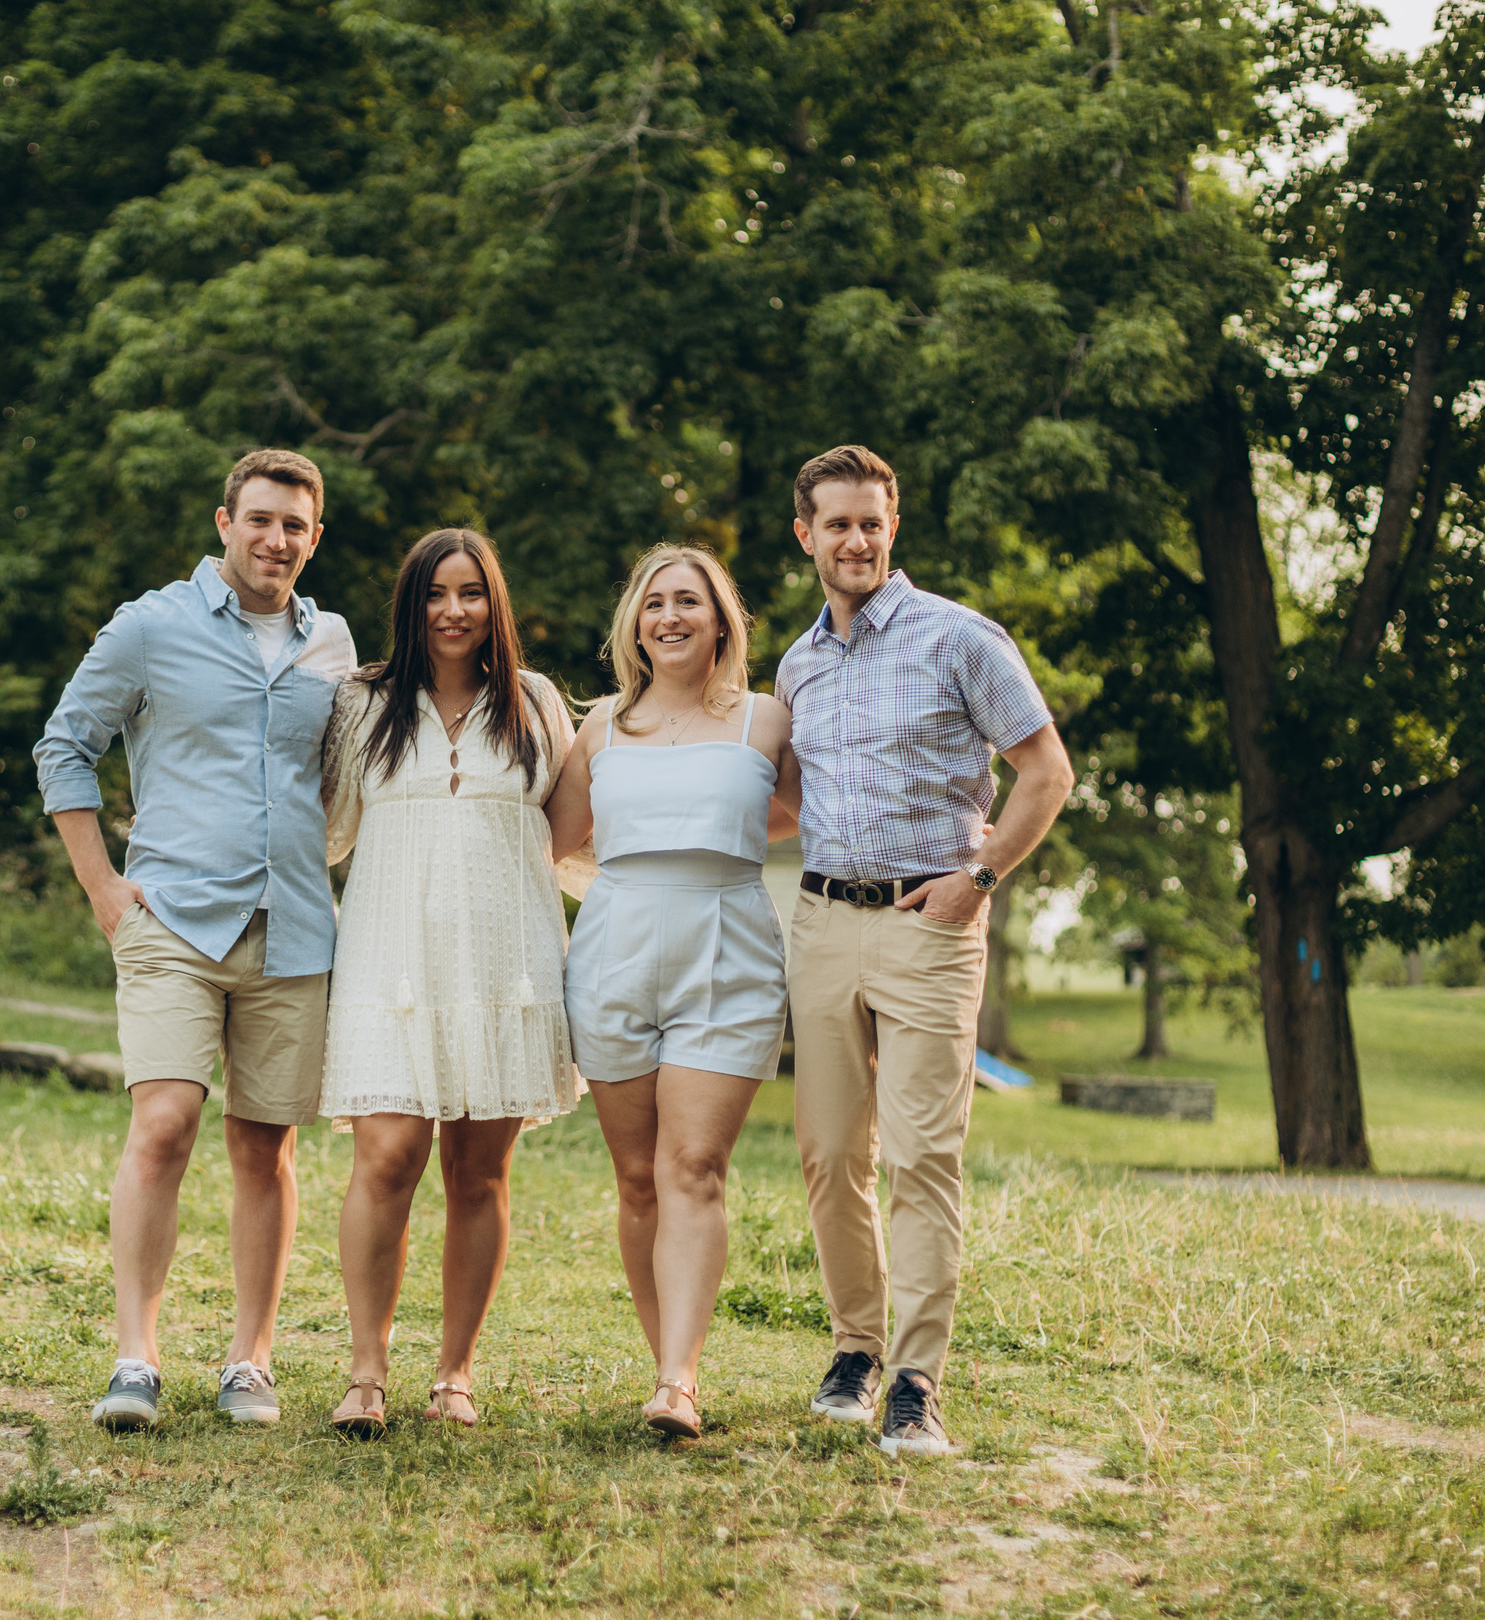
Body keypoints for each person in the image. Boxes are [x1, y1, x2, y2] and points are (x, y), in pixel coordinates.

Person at [34, 448, 358, 1434]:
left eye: (295, 526)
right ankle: (135, 1358)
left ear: (313, 536)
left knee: (267, 1149)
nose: (277, 540)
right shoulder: (150, 627)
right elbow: (64, 746)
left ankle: (249, 1362)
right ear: (224, 523)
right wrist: (102, 890)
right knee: (165, 1121)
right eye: (260, 520)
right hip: (171, 917)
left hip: (296, 927)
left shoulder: (332, 644)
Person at [777, 444, 1073, 1456]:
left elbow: (1046, 773)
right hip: (820, 925)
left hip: (927, 927)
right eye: (836, 524)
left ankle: (913, 1380)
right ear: (805, 534)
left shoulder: (960, 640)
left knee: (919, 1157)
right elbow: (786, 802)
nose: (854, 540)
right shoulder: (797, 663)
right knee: (828, 1158)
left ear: (891, 526)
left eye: (870, 522)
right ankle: (853, 1349)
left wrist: (979, 880)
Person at [316, 528, 579, 1437]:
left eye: (472, 593)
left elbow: (578, 840)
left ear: (494, 604)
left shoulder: (537, 703)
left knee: (479, 1172)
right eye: (436, 593)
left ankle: (456, 1372)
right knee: (386, 1155)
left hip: (505, 965)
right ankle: (364, 1372)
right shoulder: (363, 703)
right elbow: (323, 832)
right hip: (390, 958)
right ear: (410, 602)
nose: (454, 610)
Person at [547, 544, 801, 1440]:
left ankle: (678, 1381)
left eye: (689, 601)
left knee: (692, 1166)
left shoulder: (766, 721)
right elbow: (554, 839)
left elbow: (807, 817)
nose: (670, 617)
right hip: (613, 952)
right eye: (654, 604)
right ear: (634, 625)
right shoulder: (601, 729)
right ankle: (667, 1363)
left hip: (728, 950)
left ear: (721, 619)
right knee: (636, 1176)